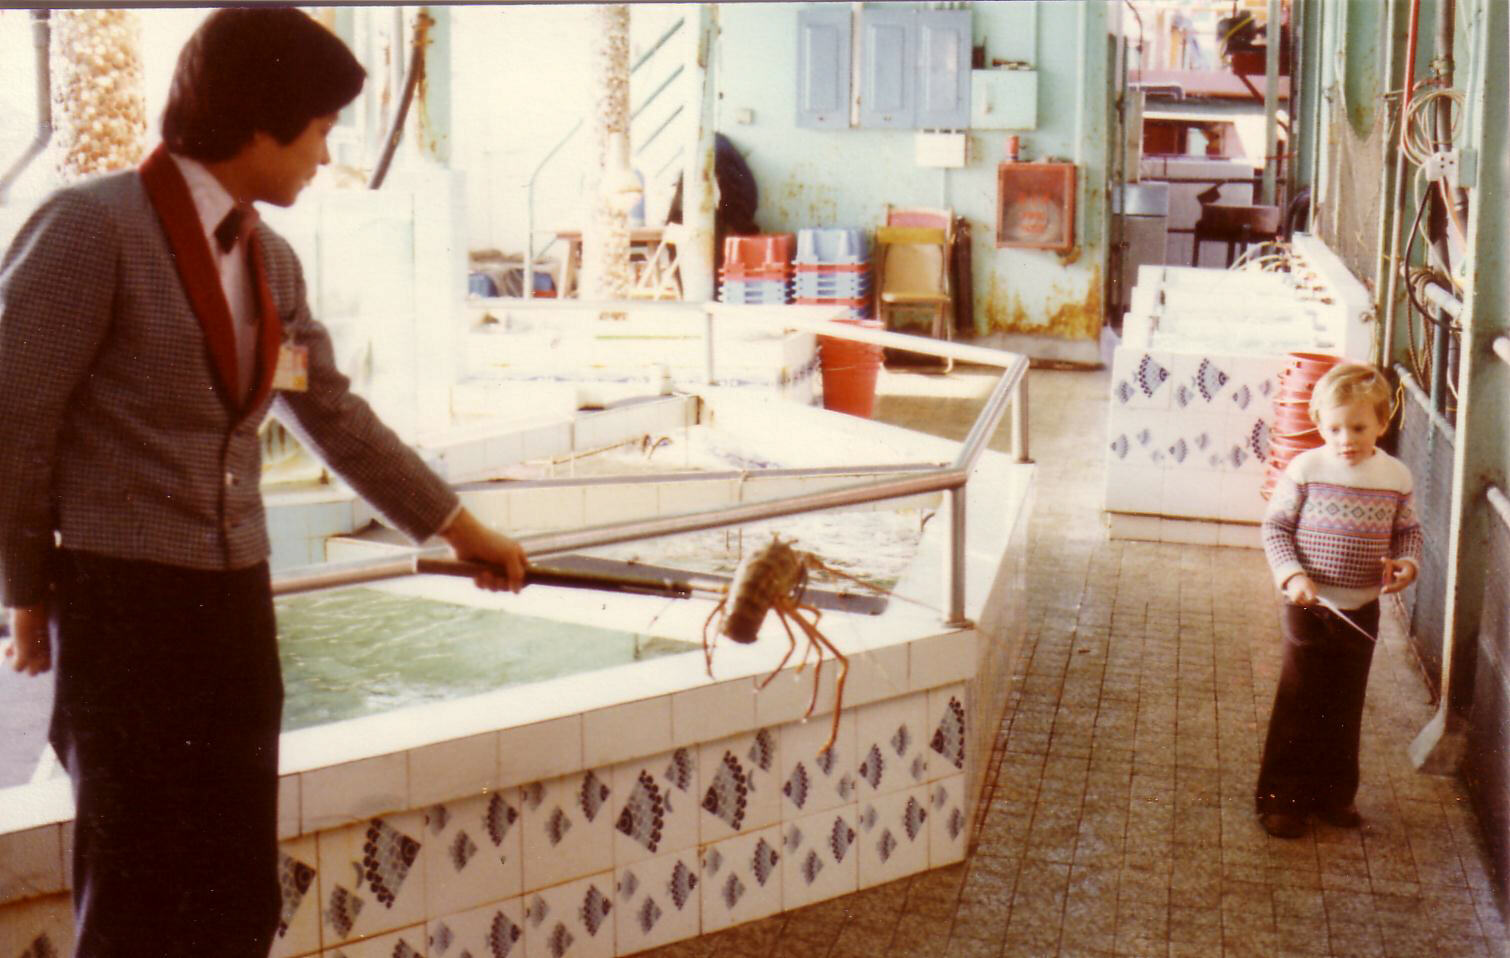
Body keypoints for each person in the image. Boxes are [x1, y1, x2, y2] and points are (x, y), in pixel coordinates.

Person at [0, 9, 526, 954]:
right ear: (258, 123)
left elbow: (334, 417)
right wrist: (26, 595)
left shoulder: (273, 261)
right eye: (321, 130)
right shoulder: (91, 228)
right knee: (134, 897)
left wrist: (457, 527)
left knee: (237, 887)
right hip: (124, 603)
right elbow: (14, 422)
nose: (326, 157)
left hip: (236, 602)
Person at [1255, 362, 1421, 839]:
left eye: (1358, 427)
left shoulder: (1395, 476)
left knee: (1344, 700)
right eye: (1333, 427)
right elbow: (1276, 527)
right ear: (1318, 422)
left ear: (1382, 424)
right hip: (1308, 604)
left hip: (1363, 607)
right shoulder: (1306, 468)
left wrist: (1407, 564)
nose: (1346, 438)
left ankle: (1333, 793)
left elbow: (1408, 532)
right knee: (1300, 696)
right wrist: (1292, 576)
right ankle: (1282, 799)